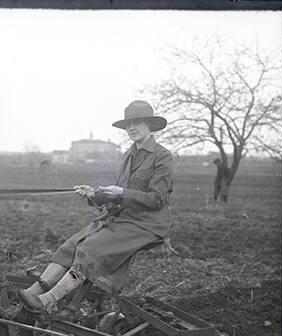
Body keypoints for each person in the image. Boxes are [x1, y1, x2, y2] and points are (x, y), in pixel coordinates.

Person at [19, 100, 173, 312]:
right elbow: (118, 193)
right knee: (70, 246)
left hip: (146, 224)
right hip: (121, 218)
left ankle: (47, 300)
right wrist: (95, 194)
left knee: (88, 249)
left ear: (150, 125)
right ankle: (33, 292)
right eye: (128, 124)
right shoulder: (129, 154)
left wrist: (122, 193)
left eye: (137, 123)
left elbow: (156, 199)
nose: (132, 128)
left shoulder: (162, 155)